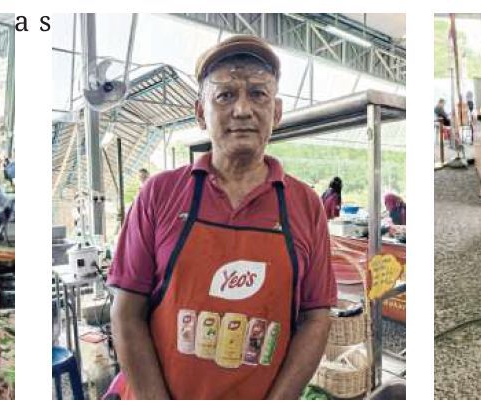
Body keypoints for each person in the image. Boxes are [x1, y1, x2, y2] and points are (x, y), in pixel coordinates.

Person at [106, 35, 336, 400]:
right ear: (201, 113)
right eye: (225, 95)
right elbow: (126, 313)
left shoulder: (305, 205)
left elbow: (315, 317)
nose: (242, 109)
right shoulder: (159, 194)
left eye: (258, 94)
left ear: (276, 112)